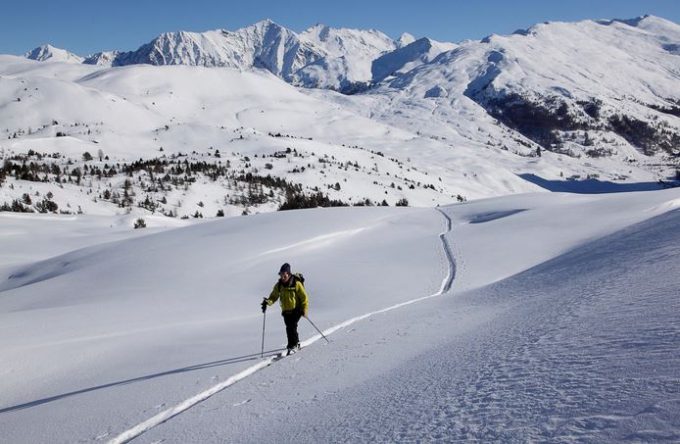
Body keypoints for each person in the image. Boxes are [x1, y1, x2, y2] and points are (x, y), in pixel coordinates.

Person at [261, 263, 309, 355]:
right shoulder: (279, 285)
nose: (283, 276)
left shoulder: (296, 283)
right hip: (286, 311)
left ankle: (292, 345)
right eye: (281, 274)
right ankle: (296, 343)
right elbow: (273, 296)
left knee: (291, 327)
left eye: (284, 274)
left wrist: (305, 309)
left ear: (289, 274)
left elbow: (304, 298)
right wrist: (267, 302)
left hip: (296, 309)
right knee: (290, 328)